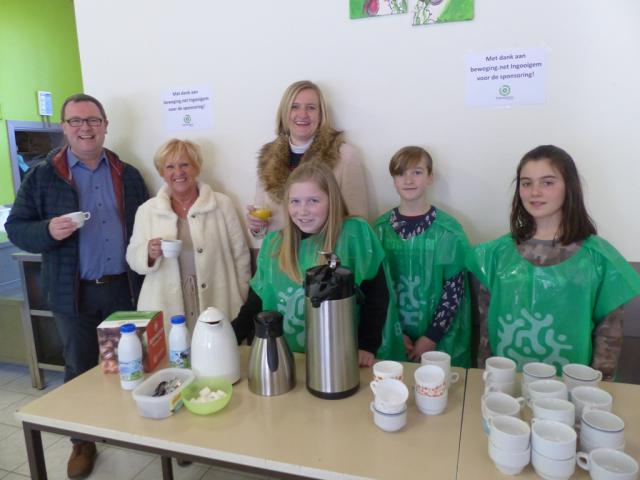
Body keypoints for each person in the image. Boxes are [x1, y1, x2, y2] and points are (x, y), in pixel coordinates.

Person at [5, 93, 149, 478]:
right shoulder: (43, 175)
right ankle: (82, 443)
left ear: (105, 125)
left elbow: (147, 225)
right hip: (75, 293)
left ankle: (132, 430)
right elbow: (16, 228)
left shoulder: (126, 173)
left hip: (124, 289)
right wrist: (47, 230)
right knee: (80, 370)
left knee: (128, 365)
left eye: (92, 120)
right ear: (64, 128)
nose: (85, 127)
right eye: (76, 121)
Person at [467, 145, 640, 377]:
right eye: (526, 183)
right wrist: (486, 377)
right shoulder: (495, 254)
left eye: (547, 182)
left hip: (571, 389)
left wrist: (595, 390)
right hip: (507, 387)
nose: (534, 192)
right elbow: (487, 328)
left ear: (569, 186)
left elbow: (609, 337)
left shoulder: (599, 258)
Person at [233, 161, 404, 365]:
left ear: (332, 200)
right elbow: (256, 301)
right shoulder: (273, 244)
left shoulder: (355, 234)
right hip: (290, 359)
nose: (302, 211)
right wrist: (230, 336)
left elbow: (377, 295)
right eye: (295, 201)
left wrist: (367, 345)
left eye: (313, 200)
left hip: (344, 357)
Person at [126, 139, 251, 331]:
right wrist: (148, 253)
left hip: (218, 299)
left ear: (197, 168)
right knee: (174, 357)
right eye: (170, 167)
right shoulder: (147, 210)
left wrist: (240, 298)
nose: (178, 172)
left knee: (216, 354)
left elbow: (240, 255)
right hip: (164, 304)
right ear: (161, 172)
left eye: (185, 165)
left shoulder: (221, 204)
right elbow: (133, 257)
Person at [374, 146, 471, 366]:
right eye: (400, 173)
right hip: (392, 334)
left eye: (417, 172)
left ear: (430, 178)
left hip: (439, 340)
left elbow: (454, 290)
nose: (408, 180)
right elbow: (375, 289)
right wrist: (395, 332)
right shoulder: (379, 230)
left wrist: (431, 337)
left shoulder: (448, 231)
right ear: (393, 180)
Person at [247, 80, 368, 237]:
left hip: (324, 257)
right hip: (280, 257)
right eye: (294, 107)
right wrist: (257, 226)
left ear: (321, 114)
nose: (302, 114)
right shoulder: (268, 158)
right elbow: (262, 229)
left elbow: (357, 225)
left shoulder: (345, 156)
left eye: (311, 108)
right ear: (284, 113)